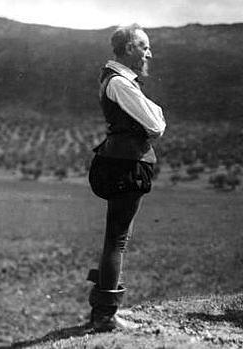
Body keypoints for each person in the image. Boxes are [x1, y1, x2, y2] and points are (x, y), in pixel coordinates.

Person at [86, 23, 166, 332]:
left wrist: (154, 114)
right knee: (117, 240)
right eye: (144, 46)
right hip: (126, 165)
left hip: (121, 161)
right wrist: (156, 115)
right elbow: (156, 125)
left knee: (116, 239)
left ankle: (104, 309)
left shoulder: (119, 80)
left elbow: (153, 117)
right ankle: (105, 315)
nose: (149, 52)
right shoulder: (120, 83)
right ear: (129, 48)